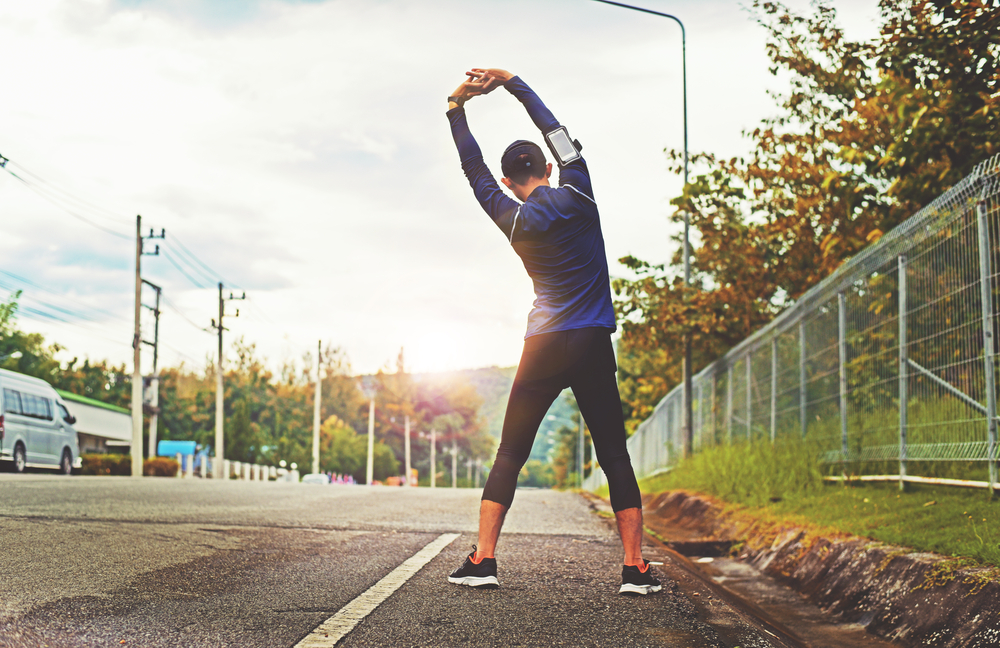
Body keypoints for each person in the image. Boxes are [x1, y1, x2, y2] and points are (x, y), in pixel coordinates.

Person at [444, 68, 661, 596]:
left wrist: (457, 106)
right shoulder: (580, 192)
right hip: (589, 340)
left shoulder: (510, 218)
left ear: (507, 182)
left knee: (510, 453)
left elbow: (472, 168)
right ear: (547, 166)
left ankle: (484, 559)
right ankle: (633, 567)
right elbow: (557, 130)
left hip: (542, 344)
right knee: (614, 453)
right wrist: (511, 82)